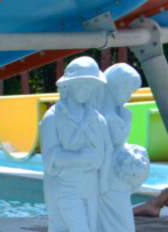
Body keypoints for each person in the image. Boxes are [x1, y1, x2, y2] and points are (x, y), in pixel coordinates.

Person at [40, 56, 111, 232]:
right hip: (67, 186)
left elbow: (105, 151)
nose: (88, 90)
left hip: (90, 185)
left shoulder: (97, 119)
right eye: (83, 84)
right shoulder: (52, 118)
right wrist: (78, 158)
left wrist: (102, 180)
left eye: (91, 86)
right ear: (69, 85)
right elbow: (50, 158)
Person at [98, 63, 146, 232]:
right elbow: (114, 142)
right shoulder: (101, 115)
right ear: (114, 86)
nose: (129, 97)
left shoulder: (121, 112)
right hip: (106, 178)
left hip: (118, 177)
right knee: (115, 222)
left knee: (122, 221)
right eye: (127, 91)